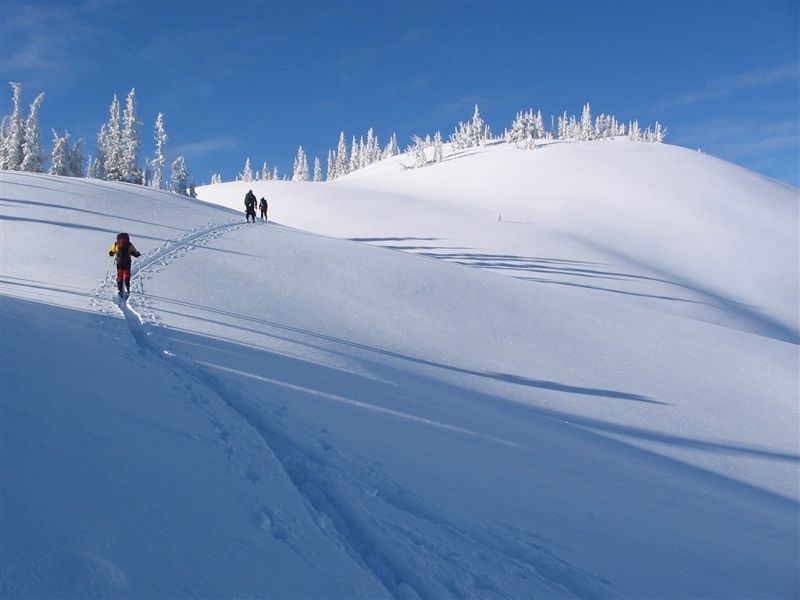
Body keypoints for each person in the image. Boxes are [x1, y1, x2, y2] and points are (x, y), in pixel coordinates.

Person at [108, 232, 141, 297]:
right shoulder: (129, 244)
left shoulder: (116, 244)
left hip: (119, 262)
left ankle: (120, 290)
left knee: (120, 275)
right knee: (127, 274)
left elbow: (111, 252)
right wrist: (137, 254)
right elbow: (133, 252)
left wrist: (111, 253)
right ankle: (127, 287)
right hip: (127, 262)